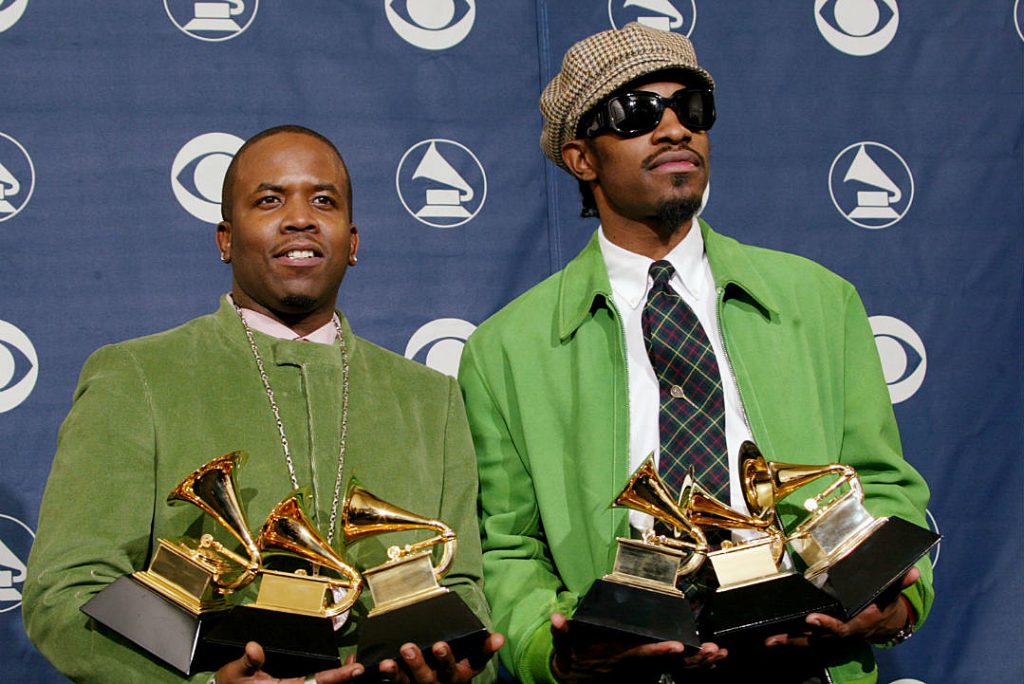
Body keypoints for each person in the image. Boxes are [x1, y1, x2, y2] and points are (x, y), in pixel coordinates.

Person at [458, 23, 932, 684]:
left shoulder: (821, 301)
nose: (674, 128)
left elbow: (879, 486)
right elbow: (509, 549)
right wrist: (556, 653)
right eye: (636, 113)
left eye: (692, 108)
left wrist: (897, 603)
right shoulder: (505, 350)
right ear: (581, 159)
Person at [23, 125, 502, 684]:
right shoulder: (137, 376)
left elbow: (461, 588)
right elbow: (68, 589)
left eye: (323, 201)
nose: (300, 218)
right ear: (225, 239)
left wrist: (455, 669)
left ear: (352, 242)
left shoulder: (429, 398)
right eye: (270, 200)